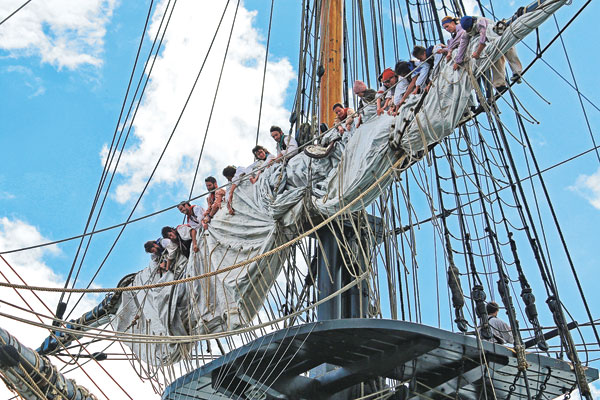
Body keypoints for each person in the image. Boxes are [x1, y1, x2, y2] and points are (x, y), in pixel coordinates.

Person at [454, 15, 523, 92]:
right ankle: (499, 85)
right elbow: (462, 46)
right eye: (467, 30)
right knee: (496, 60)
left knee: (509, 50)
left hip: (497, 35)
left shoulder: (480, 22)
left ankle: (517, 72)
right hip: (491, 43)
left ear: (472, 24)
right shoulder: (467, 33)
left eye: (469, 29)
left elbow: (482, 40)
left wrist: (477, 53)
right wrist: (458, 61)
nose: (469, 31)